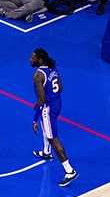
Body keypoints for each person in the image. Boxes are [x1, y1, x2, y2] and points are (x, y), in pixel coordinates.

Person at [30, 48, 78, 186]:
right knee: (48, 128)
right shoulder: (52, 68)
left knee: (53, 138)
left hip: (48, 108)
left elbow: (41, 101)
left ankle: (69, 170)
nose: (30, 59)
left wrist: (34, 119)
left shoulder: (38, 75)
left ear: (39, 60)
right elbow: (60, 87)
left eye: (33, 57)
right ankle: (46, 152)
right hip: (57, 102)